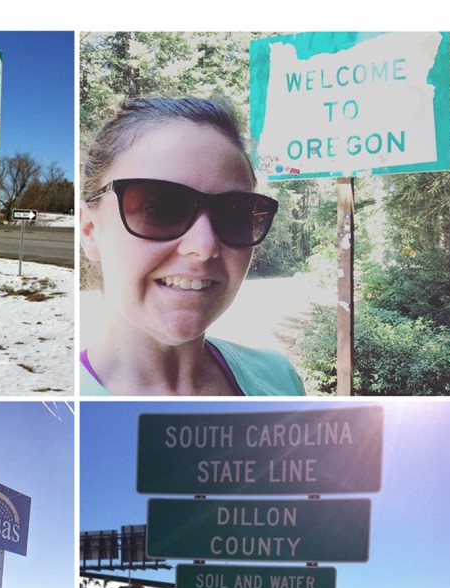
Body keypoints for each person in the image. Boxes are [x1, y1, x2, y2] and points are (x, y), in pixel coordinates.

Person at [78, 97, 305, 396]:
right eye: (160, 208)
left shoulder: (279, 377)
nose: (205, 245)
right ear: (90, 230)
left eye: (235, 212)